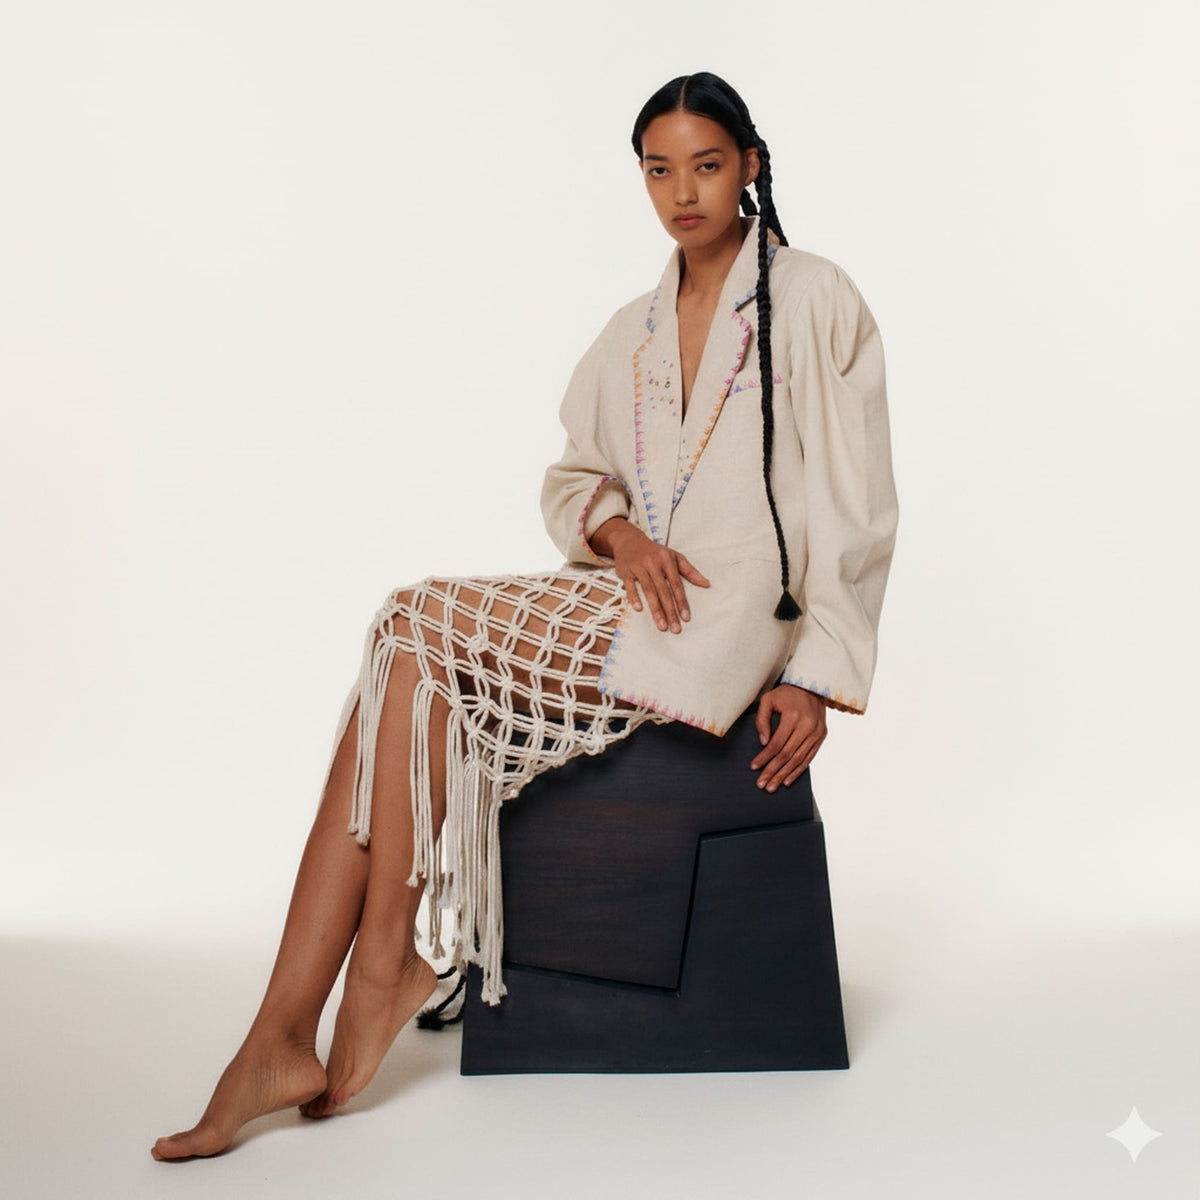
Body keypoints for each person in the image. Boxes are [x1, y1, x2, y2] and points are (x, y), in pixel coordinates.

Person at [151, 70, 899, 1161]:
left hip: (733, 617)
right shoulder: (630, 330)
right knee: (412, 662)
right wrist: (622, 537)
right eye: (658, 168)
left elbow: (856, 500)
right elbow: (573, 480)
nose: (682, 191)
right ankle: (288, 1028)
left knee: (412, 619)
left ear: (747, 165)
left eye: (705, 164)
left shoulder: (814, 296)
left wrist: (817, 673)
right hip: (629, 596)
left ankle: (369, 977)